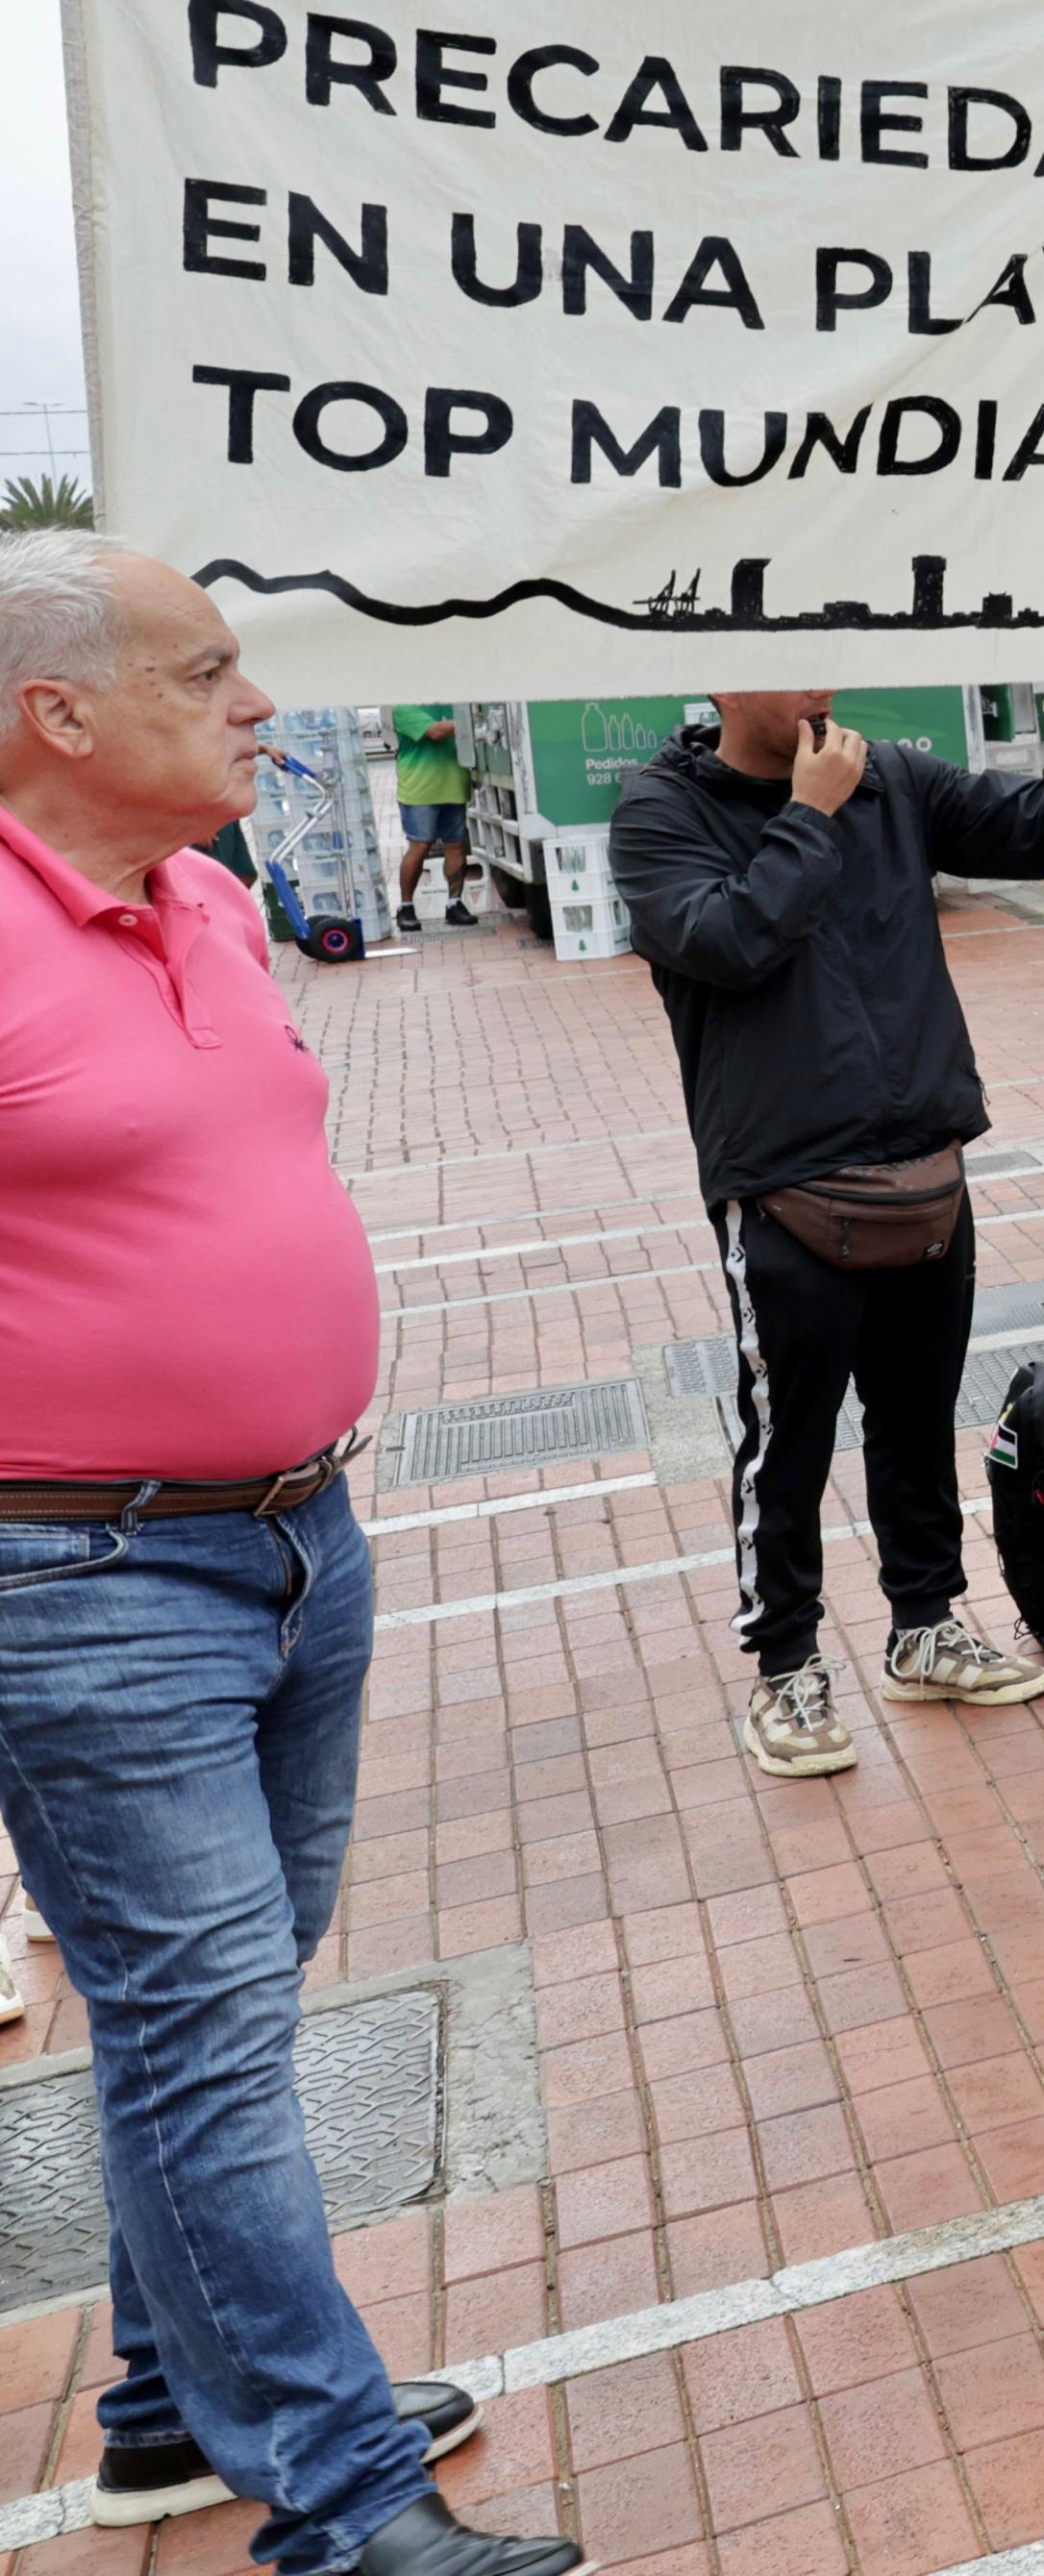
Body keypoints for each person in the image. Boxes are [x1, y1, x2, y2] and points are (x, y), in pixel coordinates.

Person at [0, 534, 572, 2576]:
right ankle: (338, 2490)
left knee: (208, 2010)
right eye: (208, 667)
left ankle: (176, 2393)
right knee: (212, 2016)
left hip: (296, 1533)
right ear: (60, 710)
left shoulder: (218, 901)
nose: (256, 702)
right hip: (80, 1576)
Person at [613, 683, 1044, 1782]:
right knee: (787, 1441)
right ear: (719, 678)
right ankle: (787, 1664)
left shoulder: (888, 775)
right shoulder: (664, 809)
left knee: (916, 1412)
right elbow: (725, 940)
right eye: (790, 664)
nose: (820, 686)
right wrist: (808, 814)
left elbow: (1033, 823)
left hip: (922, 1165)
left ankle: (925, 1623)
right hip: (787, 1183)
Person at [386, 701, 476, 928]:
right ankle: (405, 907)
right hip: (419, 789)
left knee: (456, 845)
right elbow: (435, 731)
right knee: (419, 846)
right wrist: (474, 722)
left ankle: (454, 904)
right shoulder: (403, 708)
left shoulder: (455, 703)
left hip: (454, 784)